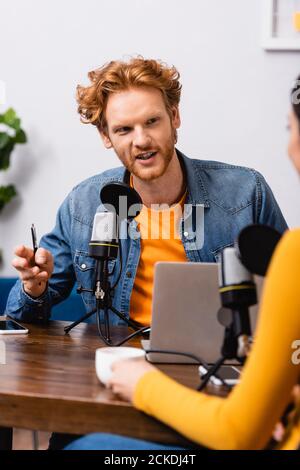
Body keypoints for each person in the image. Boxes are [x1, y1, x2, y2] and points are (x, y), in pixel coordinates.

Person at [5, 58, 287, 449]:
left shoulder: (244, 192)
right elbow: (23, 319)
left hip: (213, 383)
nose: (140, 140)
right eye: (123, 129)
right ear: (106, 135)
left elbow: (291, 301)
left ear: (174, 117)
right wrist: (34, 288)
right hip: (115, 380)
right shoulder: (85, 204)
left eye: (152, 122)